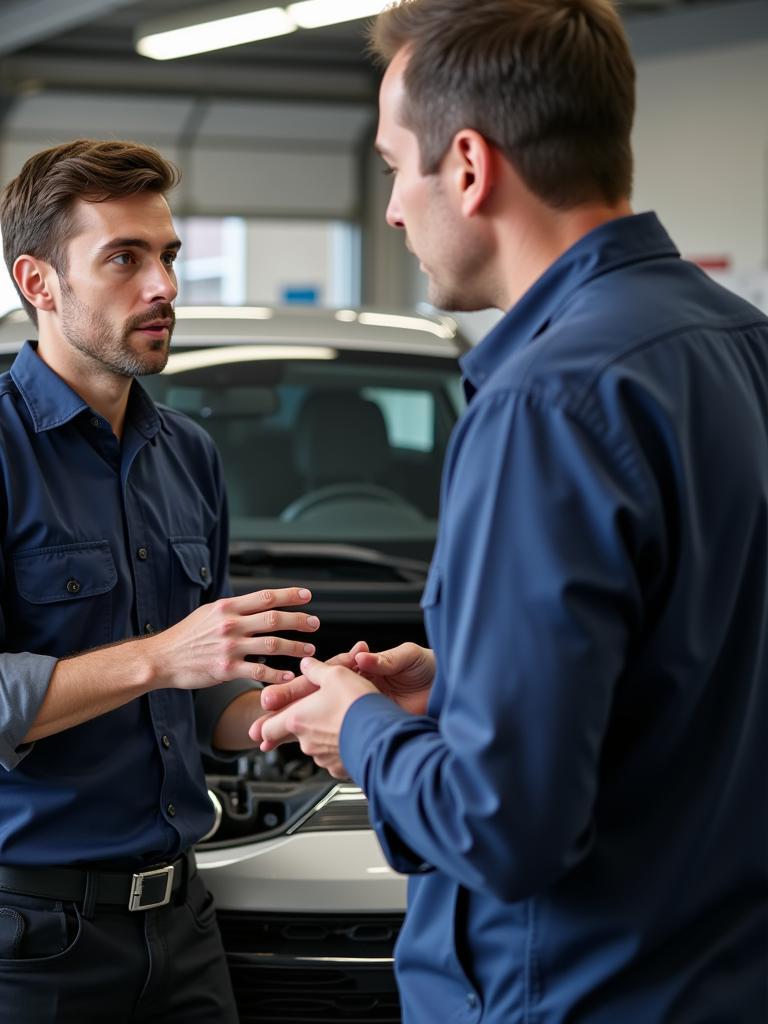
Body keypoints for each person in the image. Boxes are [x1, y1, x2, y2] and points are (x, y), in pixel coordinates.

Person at [255, 1, 768, 1020]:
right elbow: (703, 656)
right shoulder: (741, 346)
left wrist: (358, 729)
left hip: (571, 988)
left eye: (397, 165)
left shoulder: (547, 400)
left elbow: (507, 826)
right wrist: (467, 684)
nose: (395, 207)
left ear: (470, 165)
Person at [0, 138, 320, 1024]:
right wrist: (160, 657)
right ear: (38, 282)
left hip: (180, 935)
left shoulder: (185, 455)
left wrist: (299, 707)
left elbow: (197, 698)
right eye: (124, 257)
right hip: (18, 944)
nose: (162, 285)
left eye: (167, 256)